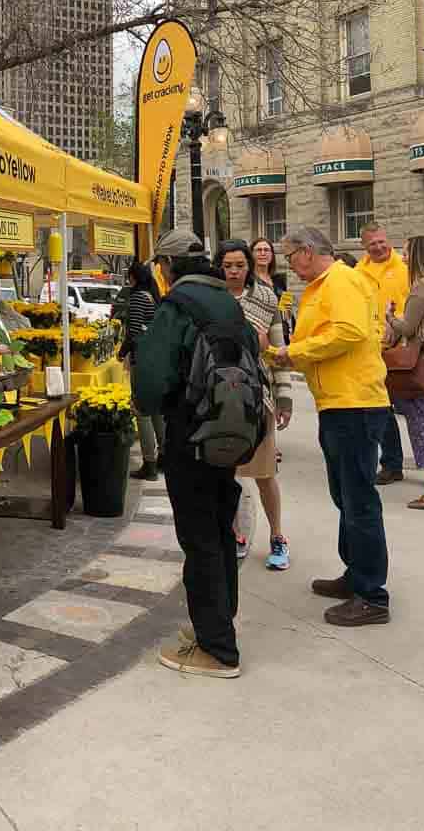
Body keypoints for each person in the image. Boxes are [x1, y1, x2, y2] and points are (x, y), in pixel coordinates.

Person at [133, 228, 259, 679]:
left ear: (167, 267)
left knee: (199, 537)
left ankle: (218, 650)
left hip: (191, 436)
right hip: (231, 435)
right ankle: (218, 623)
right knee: (220, 530)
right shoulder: (228, 302)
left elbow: (149, 387)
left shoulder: (175, 308)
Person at [275, 226, 391, 626]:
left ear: (308, 252)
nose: (290, 266)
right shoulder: (327, 283)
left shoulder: (340, 280)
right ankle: (356, 573)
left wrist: (293, 353)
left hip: (354, 404)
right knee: (346, 497)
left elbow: (348, 332)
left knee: (358, 501)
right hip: (339, 403)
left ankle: (372, 595)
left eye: (290, 258)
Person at [214, 240, 292, 571]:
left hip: (258, 397)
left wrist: (285, 396)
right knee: (225, 474)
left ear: (249, 266)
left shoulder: (265, 299)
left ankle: (277, 536)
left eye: (239, 265)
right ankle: (234, 533)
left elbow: (278, 349)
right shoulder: (211, 300)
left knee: (263, 473)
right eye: (228, 265)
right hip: (219, 397)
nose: (234, 271)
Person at [385, 236, 424, 510]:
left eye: (405, 253)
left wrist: (390, 317)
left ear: (416, 256)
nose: (402, 257)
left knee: (420, 426)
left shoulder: (421, 290)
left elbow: (407, 329)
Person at [358, 221, 410, 485]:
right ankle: (392, 464)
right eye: (372, 244)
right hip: (373, 350)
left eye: (381, 241)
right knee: (382, 409)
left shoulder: (405, 267)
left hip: (406, 348)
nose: (378, 247)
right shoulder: (359, 272)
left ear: (387, 239)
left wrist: (400, 326)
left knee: (419, 409)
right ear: (364, 246)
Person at [119, 261, 164, 481]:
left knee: (142, 411)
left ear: (133, 278)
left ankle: (150, 463)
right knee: (156, 411)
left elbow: (134, 332)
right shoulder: (153, 296)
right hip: (157, 359)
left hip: (143, 361)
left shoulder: (137, 298)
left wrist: (121, 352)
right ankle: (164, 457)